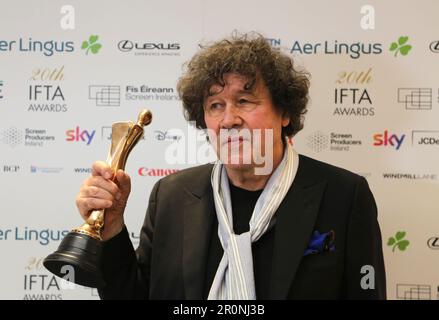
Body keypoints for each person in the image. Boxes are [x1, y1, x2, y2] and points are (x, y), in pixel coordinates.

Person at [76, 33, 386, 299]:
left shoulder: (345, 196)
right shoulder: (171, 195)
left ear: (284, 113)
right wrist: (112, 227)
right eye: (215, 106)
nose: (229, 120)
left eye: (244, 101)